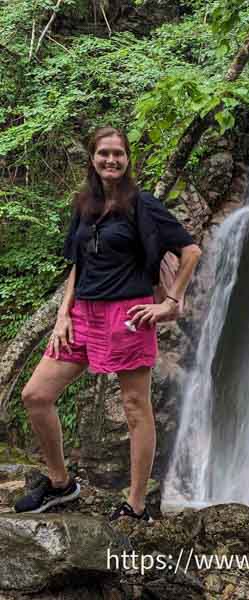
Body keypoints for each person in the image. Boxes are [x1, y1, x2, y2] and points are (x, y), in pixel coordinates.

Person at [14, 127, 202, 521]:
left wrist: (170, 302)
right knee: (36, 395)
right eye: (104, 154)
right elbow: (78, 265)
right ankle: (61, 484)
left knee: (135, 407)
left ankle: (134, 505)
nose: (111, 160)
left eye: (118, 154)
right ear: (93, 158)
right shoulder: (84, 204)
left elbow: (190, 249)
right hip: (83, 314)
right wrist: (63, 315)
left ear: (128, 159)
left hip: (127, 315)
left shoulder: (143, 205)